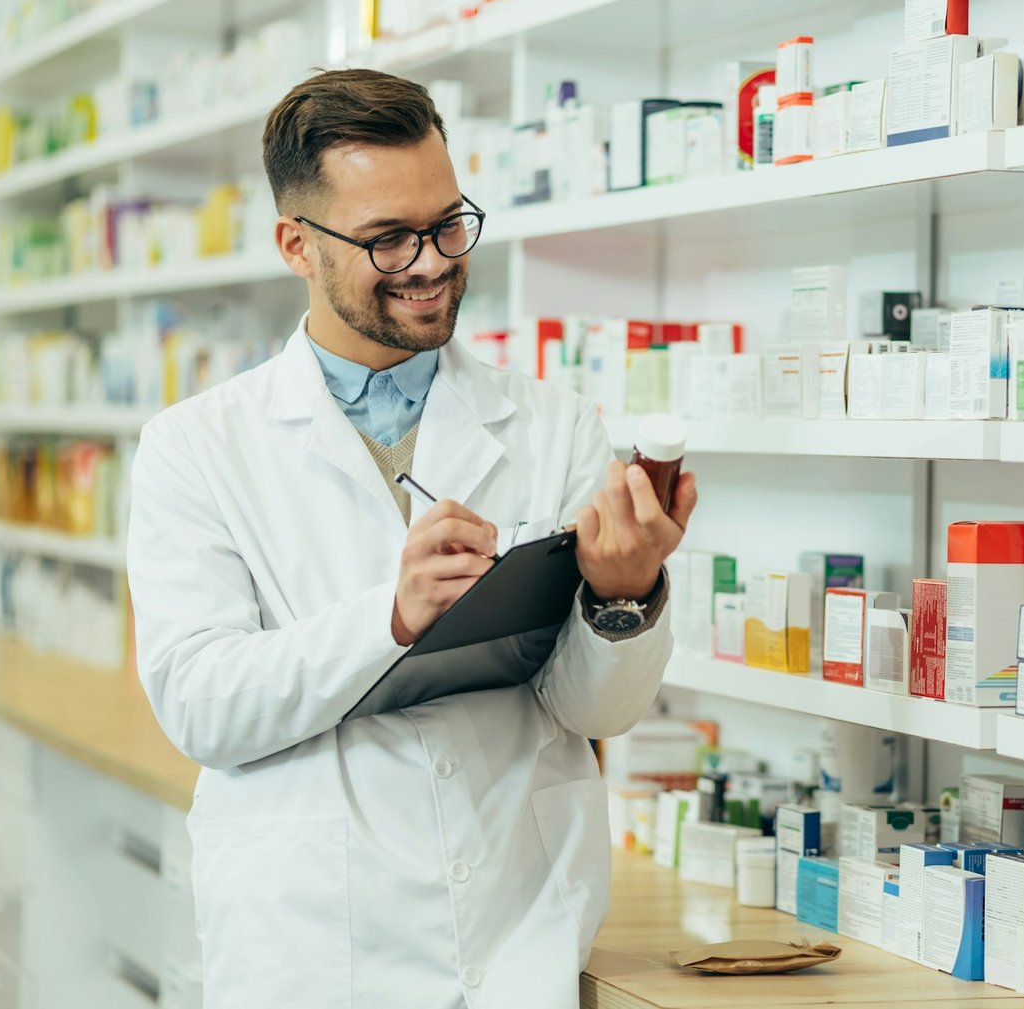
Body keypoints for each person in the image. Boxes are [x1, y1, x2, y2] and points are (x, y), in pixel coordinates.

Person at [127, 68, 695, 1009]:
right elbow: (200, 704)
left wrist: (621, 598)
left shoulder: (552, 424)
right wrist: (388, 619)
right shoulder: (195, 448)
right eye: (387, 239)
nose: (430, 261)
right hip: (311, 945)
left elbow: (592, 712)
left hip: (523, 934)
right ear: (296, 246)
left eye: (446, 223)